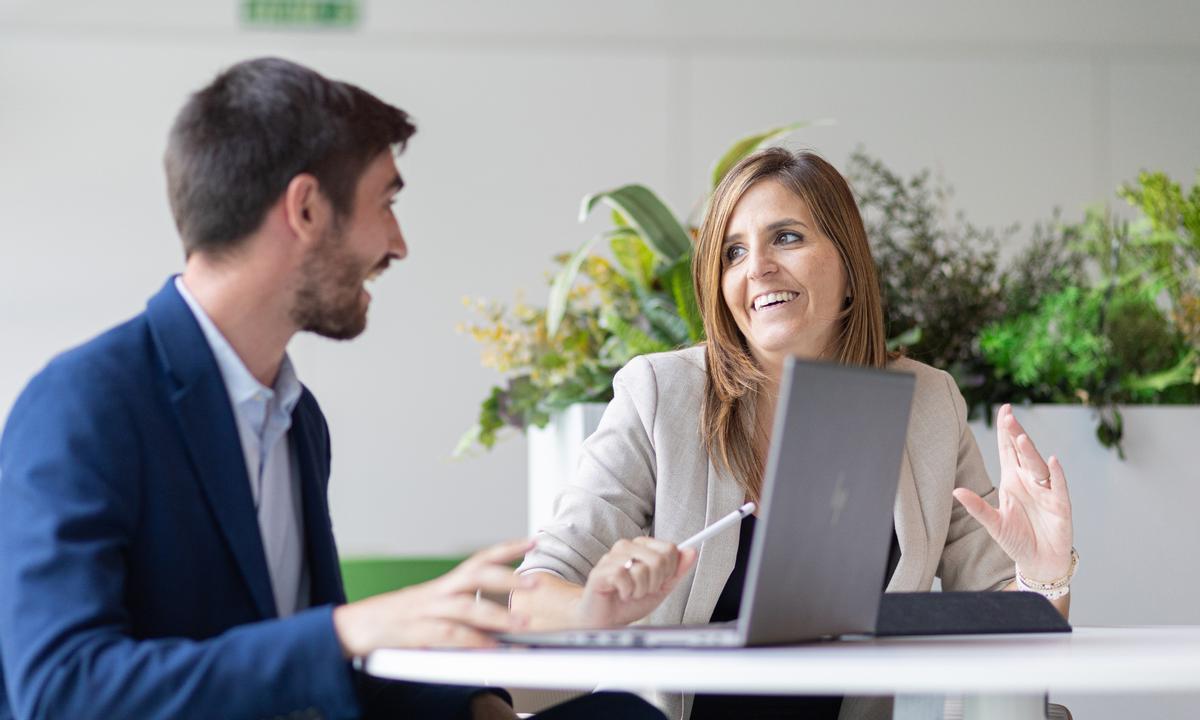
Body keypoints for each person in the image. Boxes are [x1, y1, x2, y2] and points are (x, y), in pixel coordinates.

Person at [0, 57, 664, 720]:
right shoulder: (81, 405)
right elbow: (60, 691)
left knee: (622, 716)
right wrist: (347, 630)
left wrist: (482, 712)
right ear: (308, 208)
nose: (398, 244)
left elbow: (327, 669)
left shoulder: (297, 420)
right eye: (386, 202)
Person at [512, 148, 1076, 720]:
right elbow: (531, 597)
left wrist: (1045, 572)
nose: (757, 267)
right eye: (734, 252)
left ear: (849, 264)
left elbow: (1005, 626)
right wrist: (595, 606)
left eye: (786, 238)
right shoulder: (659, 393)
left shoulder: (927, 403)